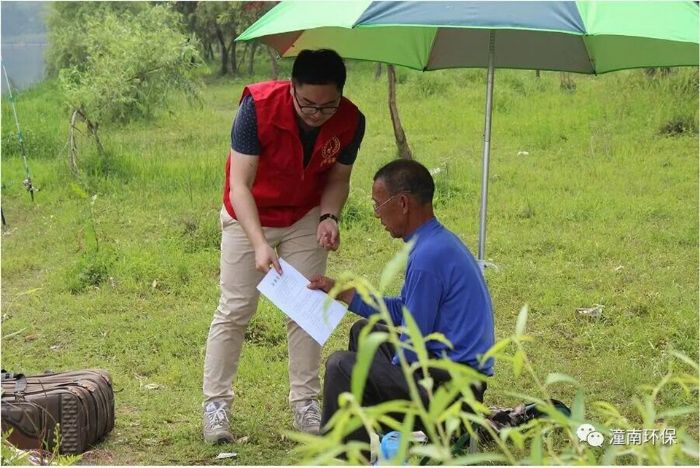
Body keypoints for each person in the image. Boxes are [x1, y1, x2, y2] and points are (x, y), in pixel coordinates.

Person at [202, 49, 366, 444]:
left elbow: (338, 179)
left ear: (340, 96)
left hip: (305, 214)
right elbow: (239, 185)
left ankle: (305, 403)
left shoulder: (351, 121)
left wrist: (329, 217)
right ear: (291, 88)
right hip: (250, 213)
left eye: (327, 106)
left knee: (307, 306)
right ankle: (216, 405)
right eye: (307, 103)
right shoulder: (256, 108)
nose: (316, 113)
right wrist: (259, 243)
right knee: (236, 307)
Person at [307, 159, 495, 443]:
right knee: (365, 332)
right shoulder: (435, 243)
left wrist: (376, 372)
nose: (377, 215)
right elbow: (405, 311)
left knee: (341, 366)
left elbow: (412, 345)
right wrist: (343, 292)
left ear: (403, 203)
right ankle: (369, 435)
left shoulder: (427, 258)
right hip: (450, 375)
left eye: (378, 205)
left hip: (453, 394)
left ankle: (344, 456)